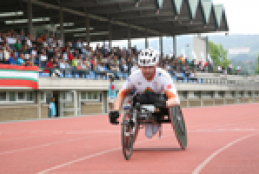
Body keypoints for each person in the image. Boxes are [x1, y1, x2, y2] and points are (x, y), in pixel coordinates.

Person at [108, 48, 180, 138]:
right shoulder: (135, 76)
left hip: (160, 102)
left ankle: (157, 118)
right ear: (139, 66)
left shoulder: (164, 76)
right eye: (144, 67)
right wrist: (115, 110)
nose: (147, 70)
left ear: (156, 65)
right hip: (143, 100)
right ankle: (133, 127)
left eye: (150, 67)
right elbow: (121, 94)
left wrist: (163, 104)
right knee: (135, 99)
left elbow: (176, 100)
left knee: (149, 134)